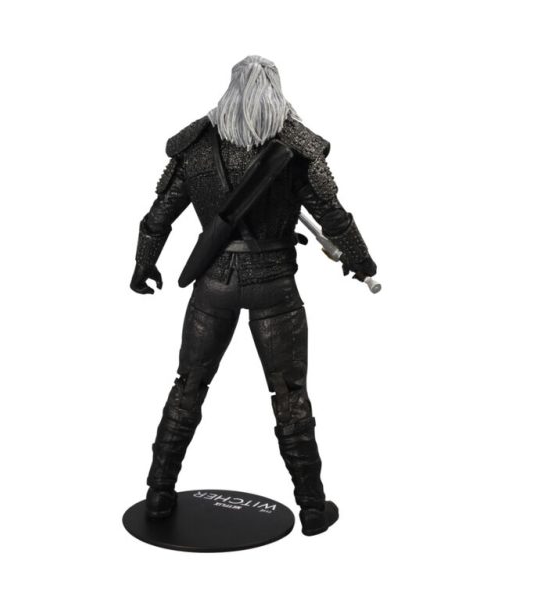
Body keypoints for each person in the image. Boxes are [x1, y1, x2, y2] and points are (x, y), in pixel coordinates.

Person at [130, 56, 377, 536]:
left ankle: (159, 495)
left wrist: (144, 263)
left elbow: (158, 217)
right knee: (290, 394)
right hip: (273, 284)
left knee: (188, 386)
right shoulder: (297, 146)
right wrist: (361, 260)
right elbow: (334, 215)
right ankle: (312, 508)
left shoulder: (196, 146)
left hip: (214, 282)